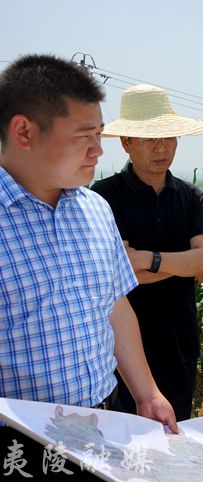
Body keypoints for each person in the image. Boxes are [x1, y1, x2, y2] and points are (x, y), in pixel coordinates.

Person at [0, 55, 177, 478]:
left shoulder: (95, 209)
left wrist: (147, 393)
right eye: (84, 137)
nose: (98, 150)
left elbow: (114, 307)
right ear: (24, 132)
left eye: (99, 135)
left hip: (103, 422)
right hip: (20, 441)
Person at [91, 84, 203, 421]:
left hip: (179, 345)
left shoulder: (190, 197)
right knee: (125, 444)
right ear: (126, 142)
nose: (162, 148)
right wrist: (183, 264)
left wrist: (146, 260)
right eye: (149, 139)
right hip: (121, 354)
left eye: (169, 138)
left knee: (176, 437)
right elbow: (116, 275)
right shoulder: (104, 197)